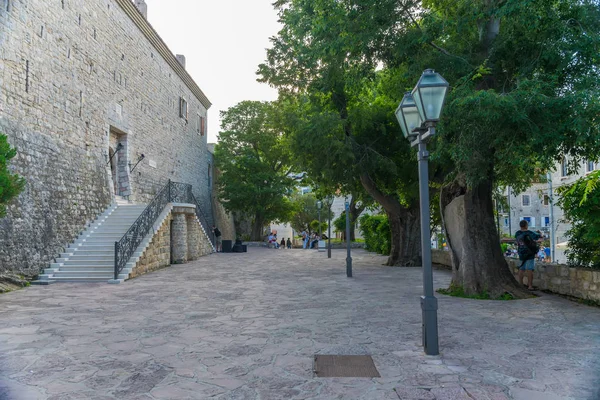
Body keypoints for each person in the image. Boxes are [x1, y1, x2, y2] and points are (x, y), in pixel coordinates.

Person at [515, 220, 541, 290]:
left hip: (521, 253)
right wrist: (539, 232)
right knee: (529, 269)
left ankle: (520, 284)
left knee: (521, 269)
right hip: (529, 253)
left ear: (520, 226)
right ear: (526, 225)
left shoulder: (517, 233)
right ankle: (530, 286)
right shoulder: (529, 233)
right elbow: (538, 236)